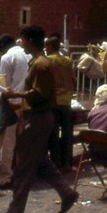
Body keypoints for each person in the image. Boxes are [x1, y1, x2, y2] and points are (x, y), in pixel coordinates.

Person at [0, 26, 79, 213]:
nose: (21, 44)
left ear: (30, 41)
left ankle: (15, 211)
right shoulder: (38, 62)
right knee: (40, 160)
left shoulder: (40, 64)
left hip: (38, 118)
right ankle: (67, 193)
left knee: (23, 166)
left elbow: (38, 93)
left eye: (23, 40)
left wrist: (15, 94)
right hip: (39, 115)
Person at [0, 35, 31, 189]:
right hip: (28, 102)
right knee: (24, 141)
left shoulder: (7, 57)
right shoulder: (29, 55)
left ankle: (5, 177)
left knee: (8, 142)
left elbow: (3, 83)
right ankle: (22, 172)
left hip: (12, 103)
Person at [45, 36, 74, 172]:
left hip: (53, 101)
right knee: (67, 132)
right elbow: (72, 79)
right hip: (66, 100)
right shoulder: (67, 60)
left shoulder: (47, 61)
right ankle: (67, 162)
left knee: (54, 133)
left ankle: (56, 163)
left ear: (49, 47)